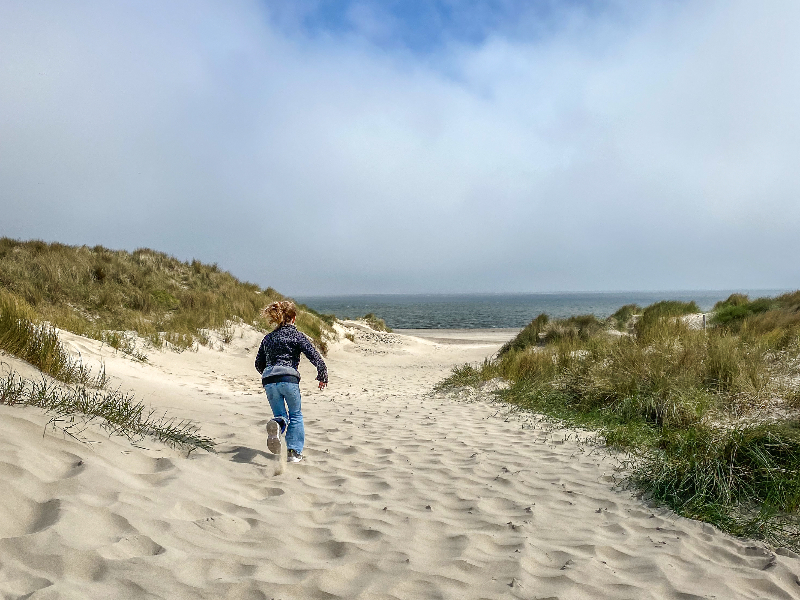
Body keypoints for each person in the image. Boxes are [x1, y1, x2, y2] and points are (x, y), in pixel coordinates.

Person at [255, 301, 328, 463]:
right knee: (295, 414)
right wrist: (322, 375)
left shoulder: (268, 338)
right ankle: (294, 453)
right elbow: (314, 356)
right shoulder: (297, 336)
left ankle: (277, 423)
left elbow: (258, 363)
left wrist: (269, 376)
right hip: (288, 378)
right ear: (293, 318)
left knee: (280, 415)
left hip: (269, 379)